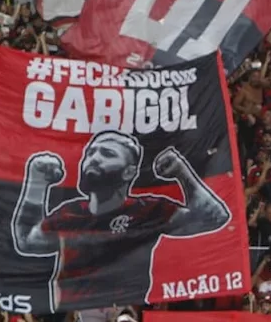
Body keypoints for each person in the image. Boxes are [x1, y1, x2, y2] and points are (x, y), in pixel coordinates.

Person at [12, 131, 231, 310]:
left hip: (127, 313)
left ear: (129, 172)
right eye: (90, 153)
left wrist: (182, 173)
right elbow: (27, 242)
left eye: (107, 153)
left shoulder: (148, 209)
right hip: (75, 314)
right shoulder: (69, 212)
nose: (93, 158)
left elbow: (214, 217)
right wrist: (36, 183)